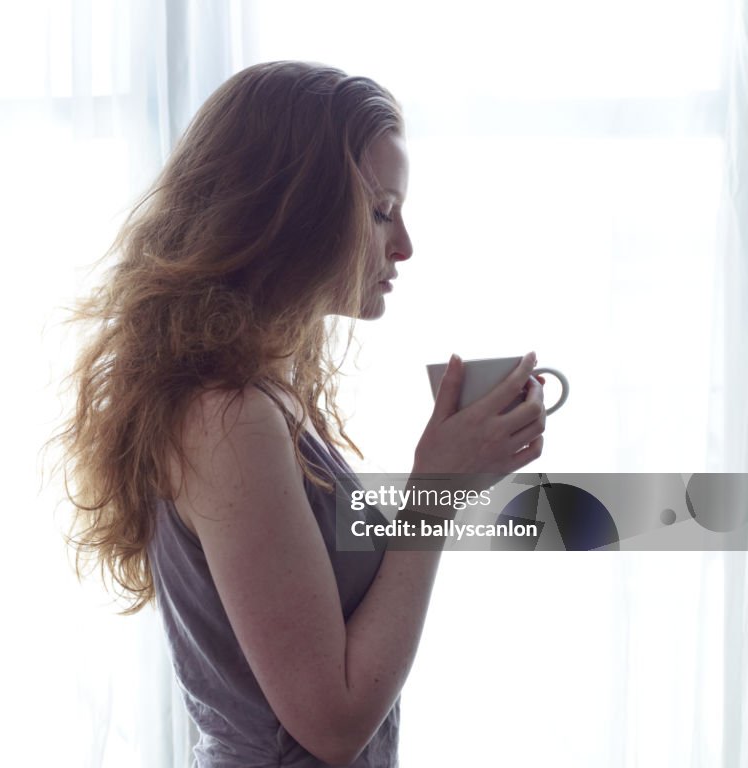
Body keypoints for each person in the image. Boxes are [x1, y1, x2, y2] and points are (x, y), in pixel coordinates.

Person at [54, 60, 547, 767]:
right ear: (292, 214)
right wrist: (438, 490)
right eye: (380, 212)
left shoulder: (260, 396)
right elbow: (334, 722)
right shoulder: (230, 418)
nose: (404, 245)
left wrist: (457, 471)